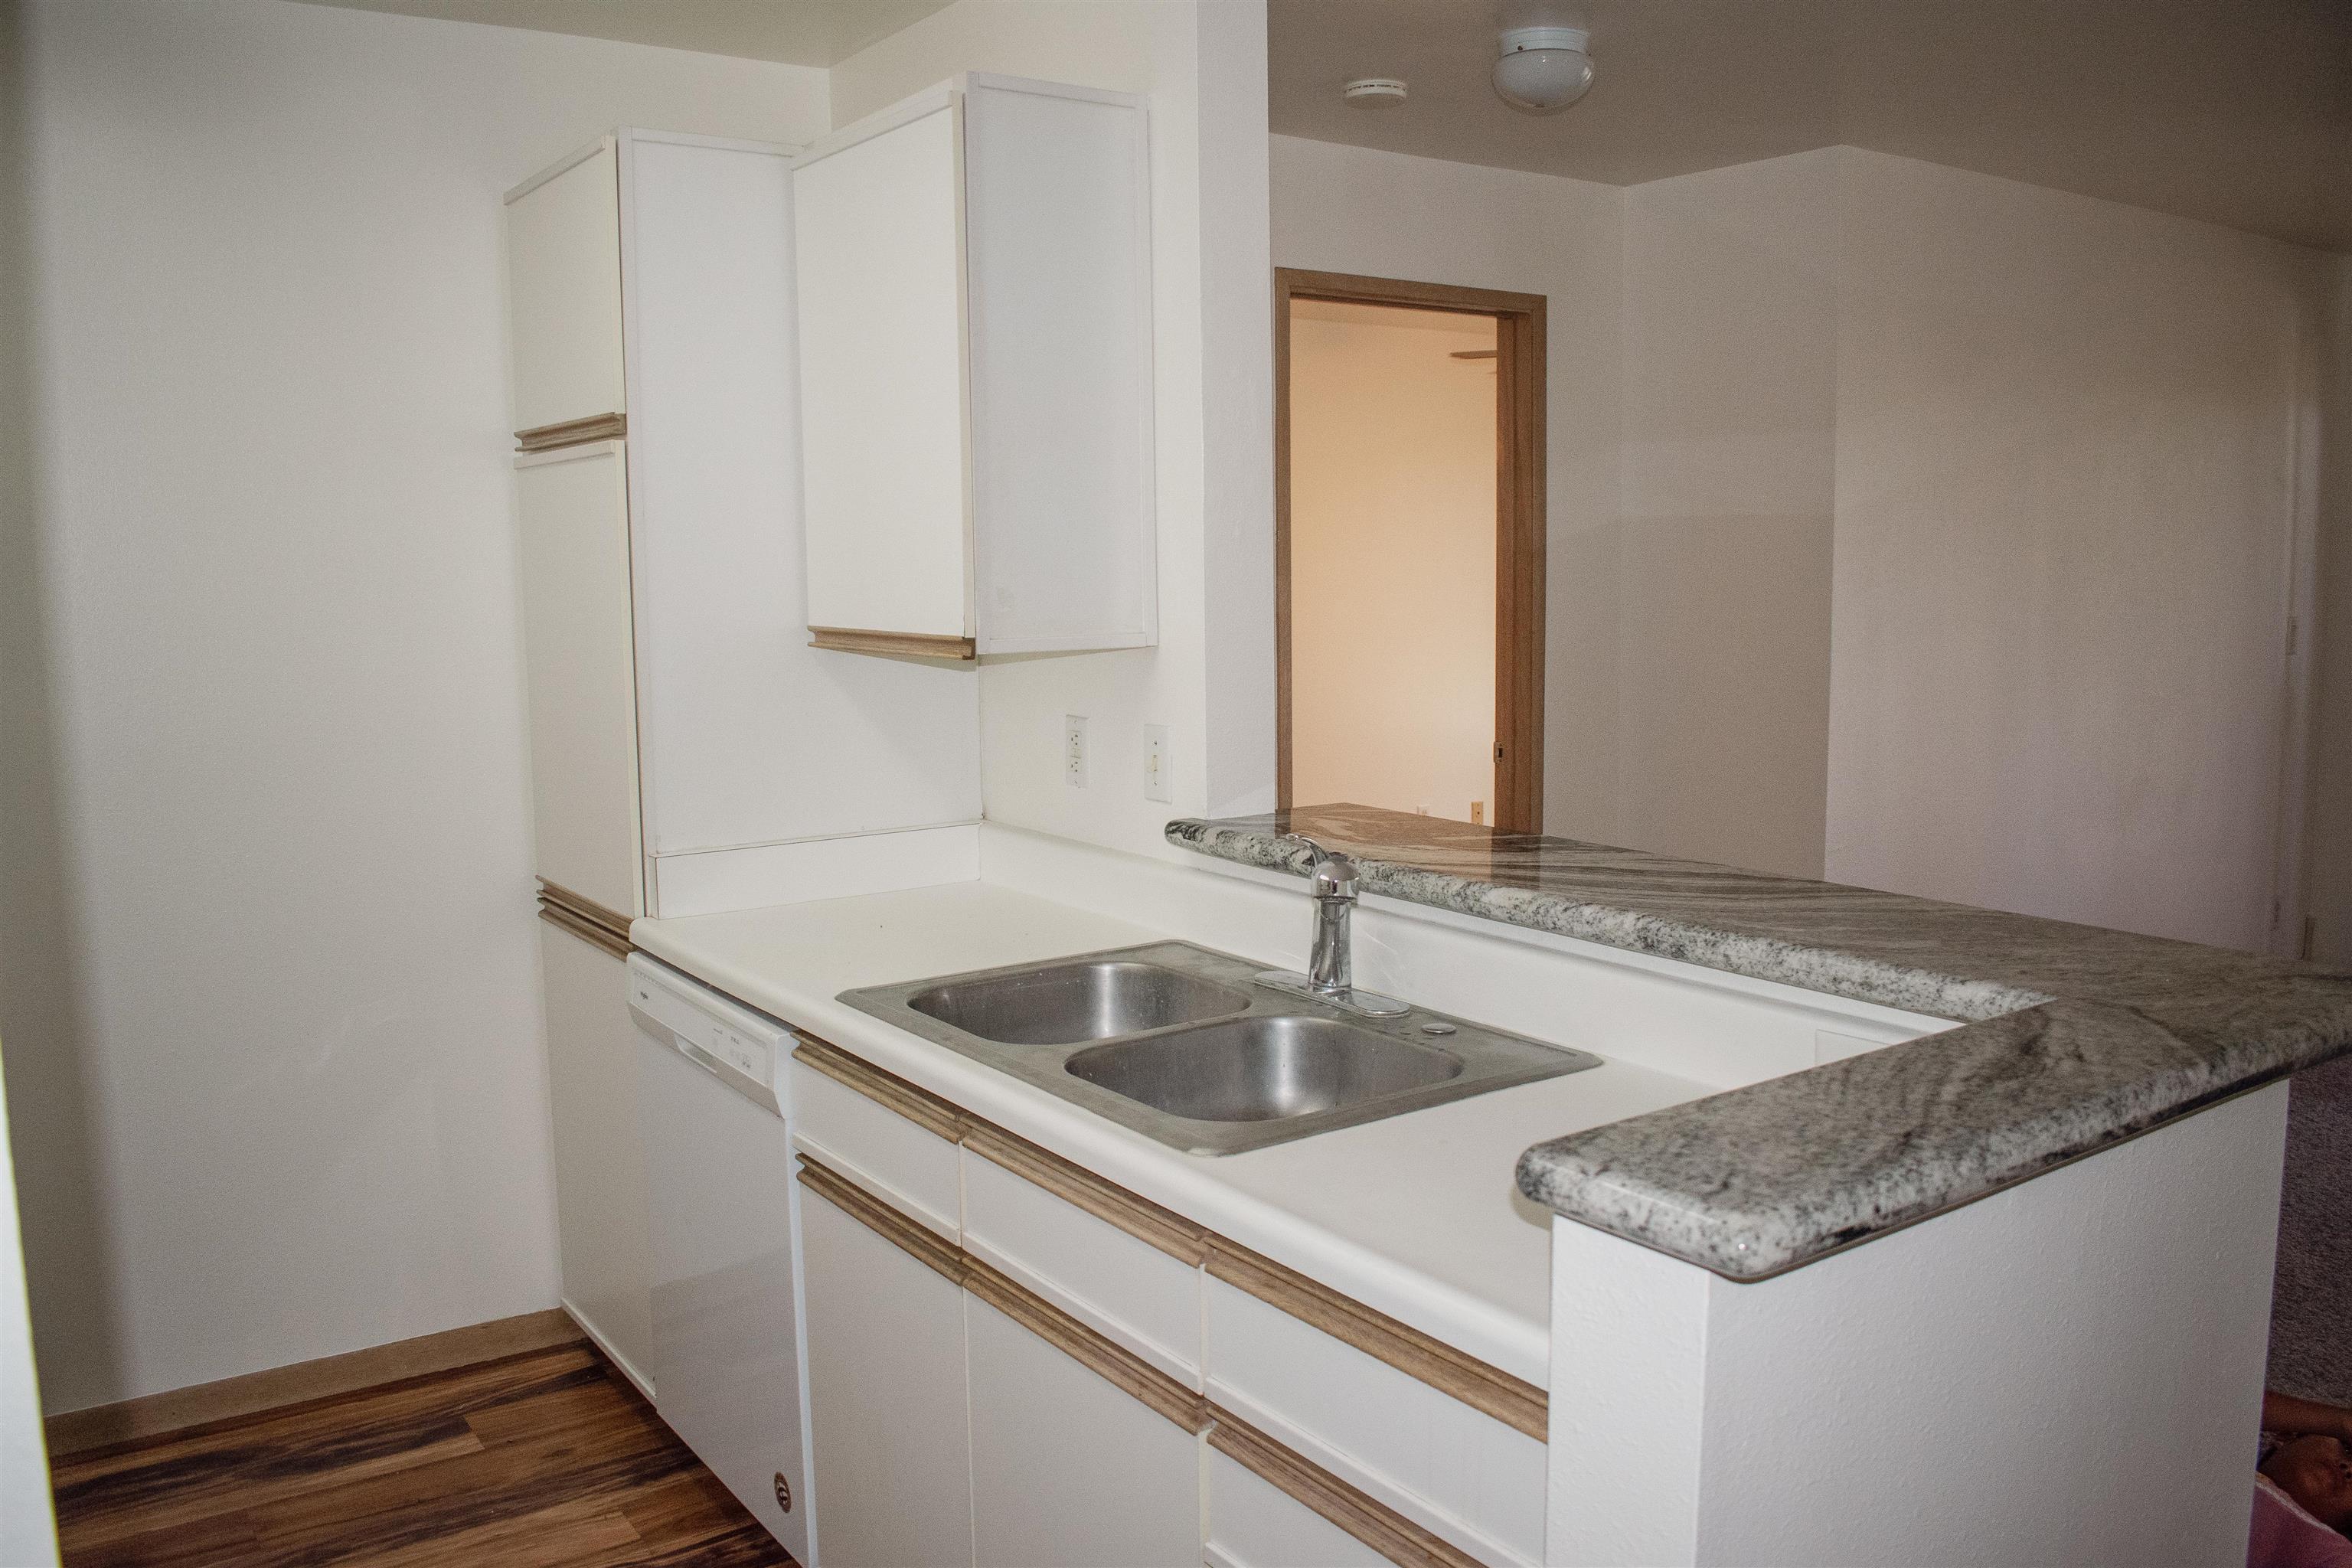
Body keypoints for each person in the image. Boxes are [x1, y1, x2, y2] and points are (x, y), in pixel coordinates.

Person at [2253, 1390, 2352, 1568]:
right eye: (2347, 1448)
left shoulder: (2331, 1551)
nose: (2349, 1469)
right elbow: (2218, 1403)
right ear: (2286, 1436)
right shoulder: (2220, 1457)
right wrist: (2342, 1422)